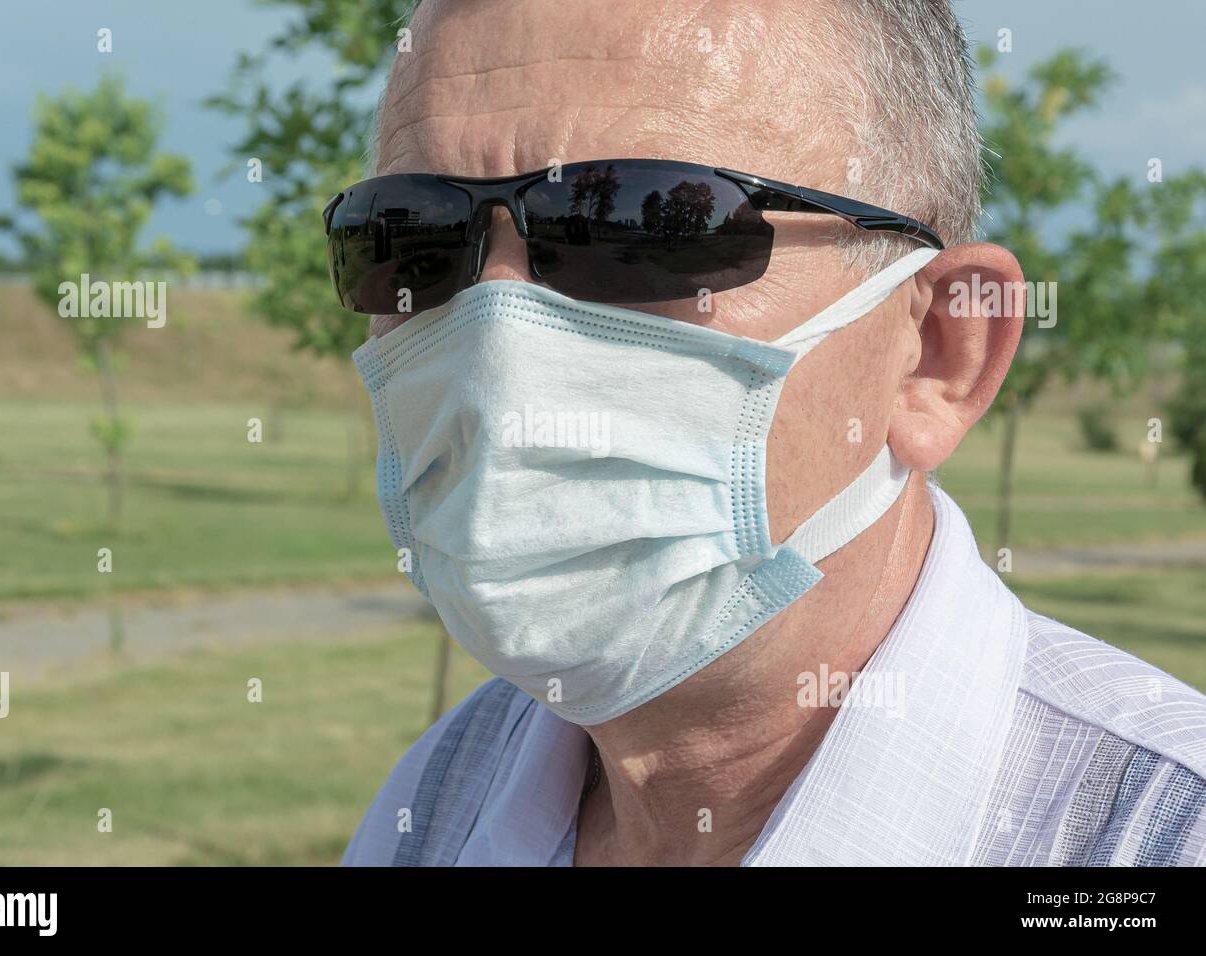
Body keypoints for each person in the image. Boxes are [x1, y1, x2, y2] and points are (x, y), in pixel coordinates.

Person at [336, 0, 1206, 866]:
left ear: (938, 353)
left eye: (637, 229)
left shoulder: (1155, 839)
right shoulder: (440, 797)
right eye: (413, 238)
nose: (497, 342)